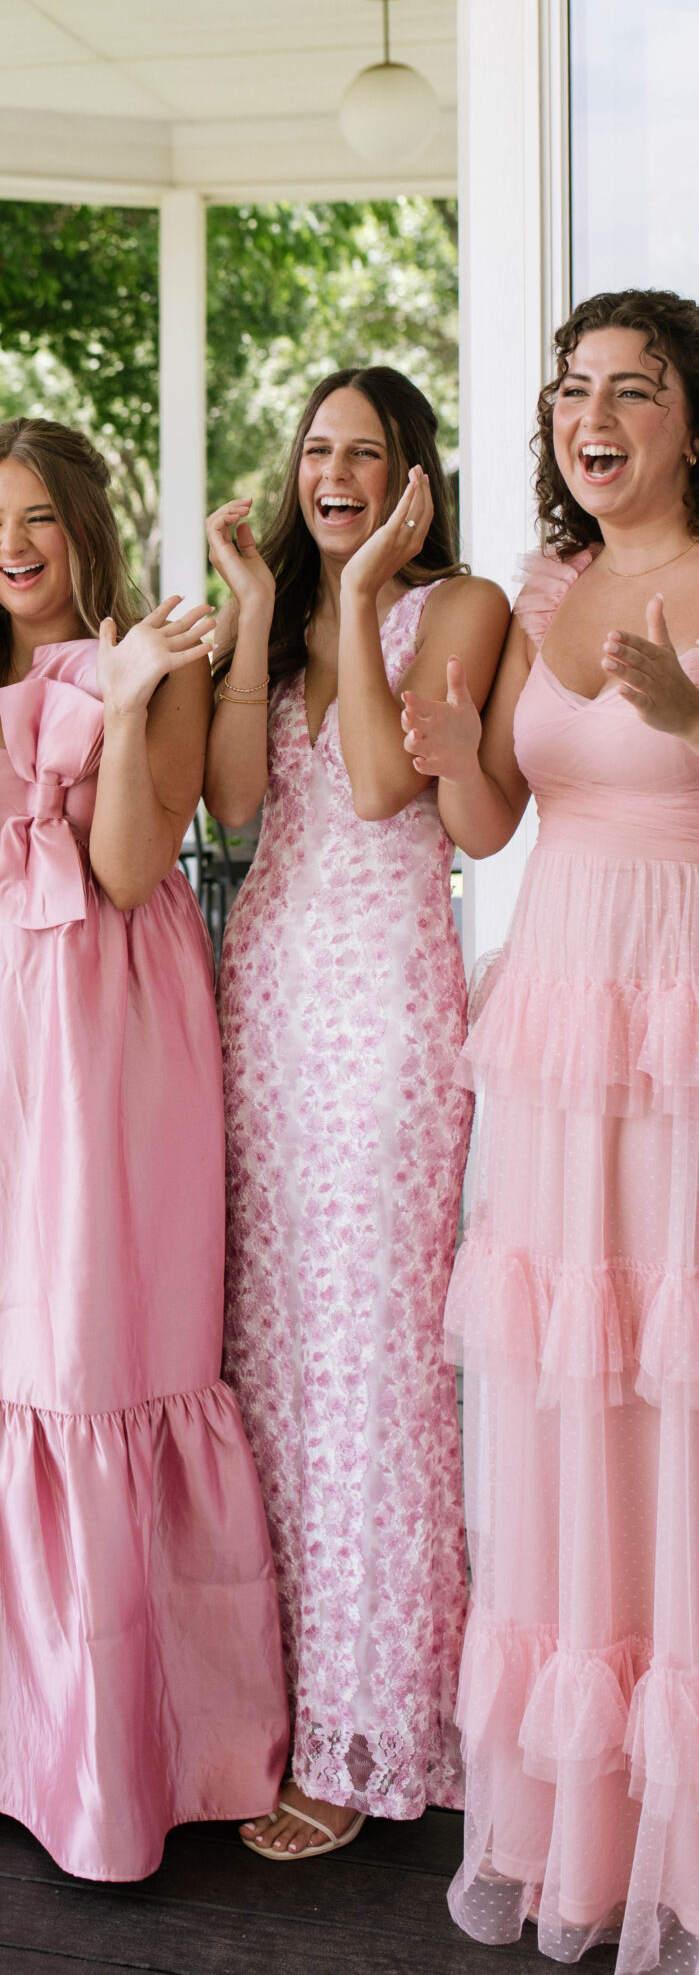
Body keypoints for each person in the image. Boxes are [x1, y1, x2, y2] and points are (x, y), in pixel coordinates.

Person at [0, 417, 289, 1879]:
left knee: (94, 1348)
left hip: (110, 1037)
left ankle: (107, 1759)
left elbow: (132, 867)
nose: (7, 546)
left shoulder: (157, 652)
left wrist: (133, 700)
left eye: (32, 517)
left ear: (83, 523)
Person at [402, 292, 699, 1971]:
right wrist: (456, 751)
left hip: (677, 1030)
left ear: (690, 424)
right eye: (573, 389)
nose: (593, 415)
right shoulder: (542, 589)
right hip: (557, 1027)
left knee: (674, 1388)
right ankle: (587, 1833)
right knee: (570, 1404)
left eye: (632, 391)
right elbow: (487, 820)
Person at [205, 368, 509, 1861]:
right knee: (266, 1356)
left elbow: (387, 789)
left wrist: (362, 592)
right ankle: (266, 1707)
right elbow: (231, 806)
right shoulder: (281, 622)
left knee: (372, 1364)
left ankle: (366, 1728)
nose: (333, 472)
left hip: (387, 1010)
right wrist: (262, 604)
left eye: (364, 452)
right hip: (263, 994)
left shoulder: (457, 606)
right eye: (315, 449)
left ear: (410, 476)